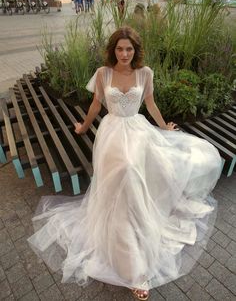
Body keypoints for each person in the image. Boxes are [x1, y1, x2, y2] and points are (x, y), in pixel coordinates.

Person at [28, 27, 222, 300]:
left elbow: (150, 103)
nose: (124, 54)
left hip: (138, 130)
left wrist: (163, 126)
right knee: (127, 170)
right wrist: (83, 127)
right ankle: (130, 262)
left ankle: (136, 236)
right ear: (113, 50)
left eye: (129, 49)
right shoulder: (102, 73)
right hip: (111, 133)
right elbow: (96, 104)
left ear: (135, 50)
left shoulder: (146, 73)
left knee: (136, 169)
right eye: (119, 49)